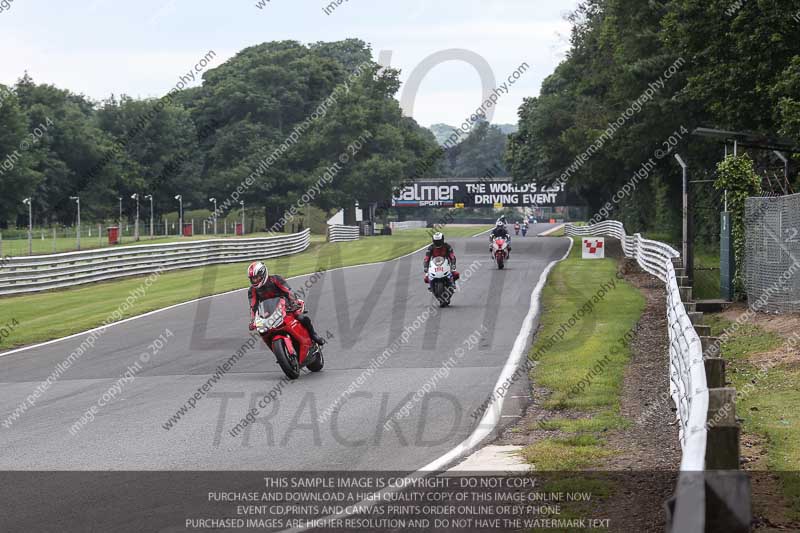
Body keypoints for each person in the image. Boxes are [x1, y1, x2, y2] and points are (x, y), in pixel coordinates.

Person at [246, 262, 326, 345]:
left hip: (286, 306)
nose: (254, 280)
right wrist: (253, 320)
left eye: (256, 277)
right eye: (252, 278)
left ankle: (313, 335)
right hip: (269, 313)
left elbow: (288, 292)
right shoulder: (252, 290)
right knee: (262, 331)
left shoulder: (275, 279)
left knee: (301, 317)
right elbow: (253, 306)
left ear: (263, 274)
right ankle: (277, 350)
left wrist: (294, 303)